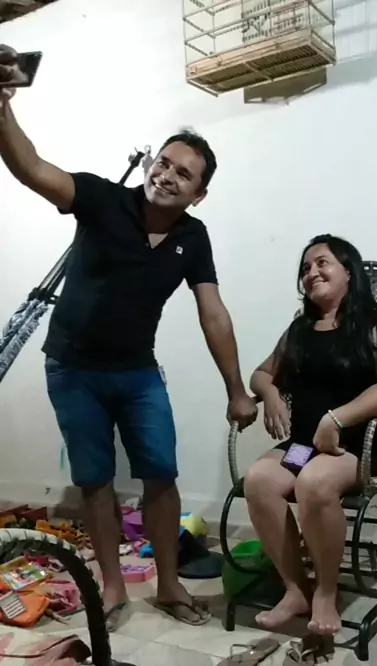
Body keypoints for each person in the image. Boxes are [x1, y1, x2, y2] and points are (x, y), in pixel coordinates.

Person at [0, 45, 257, 630]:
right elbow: (33, 168)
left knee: (161, 474)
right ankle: (113, 588)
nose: (167, 175)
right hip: (72, 369)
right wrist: (2, 108)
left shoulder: (194, 237)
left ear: (199, 193)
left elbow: (213, 313)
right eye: (164, 163)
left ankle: (168, 585)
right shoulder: (102, 199)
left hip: (138, 373)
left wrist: (236, 390)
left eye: (183, 173)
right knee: (94, 480)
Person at [244, 234, 377, 636]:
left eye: (322, 263)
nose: (312, 273)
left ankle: (325, 591)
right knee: (259, 480)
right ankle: (295, 589)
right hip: (304, 447)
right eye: (306, 268)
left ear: (349, 272)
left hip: (360, 447)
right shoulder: (300, 330)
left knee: (315, 482)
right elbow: (261, 374)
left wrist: (336, 419)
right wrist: (271, 394)